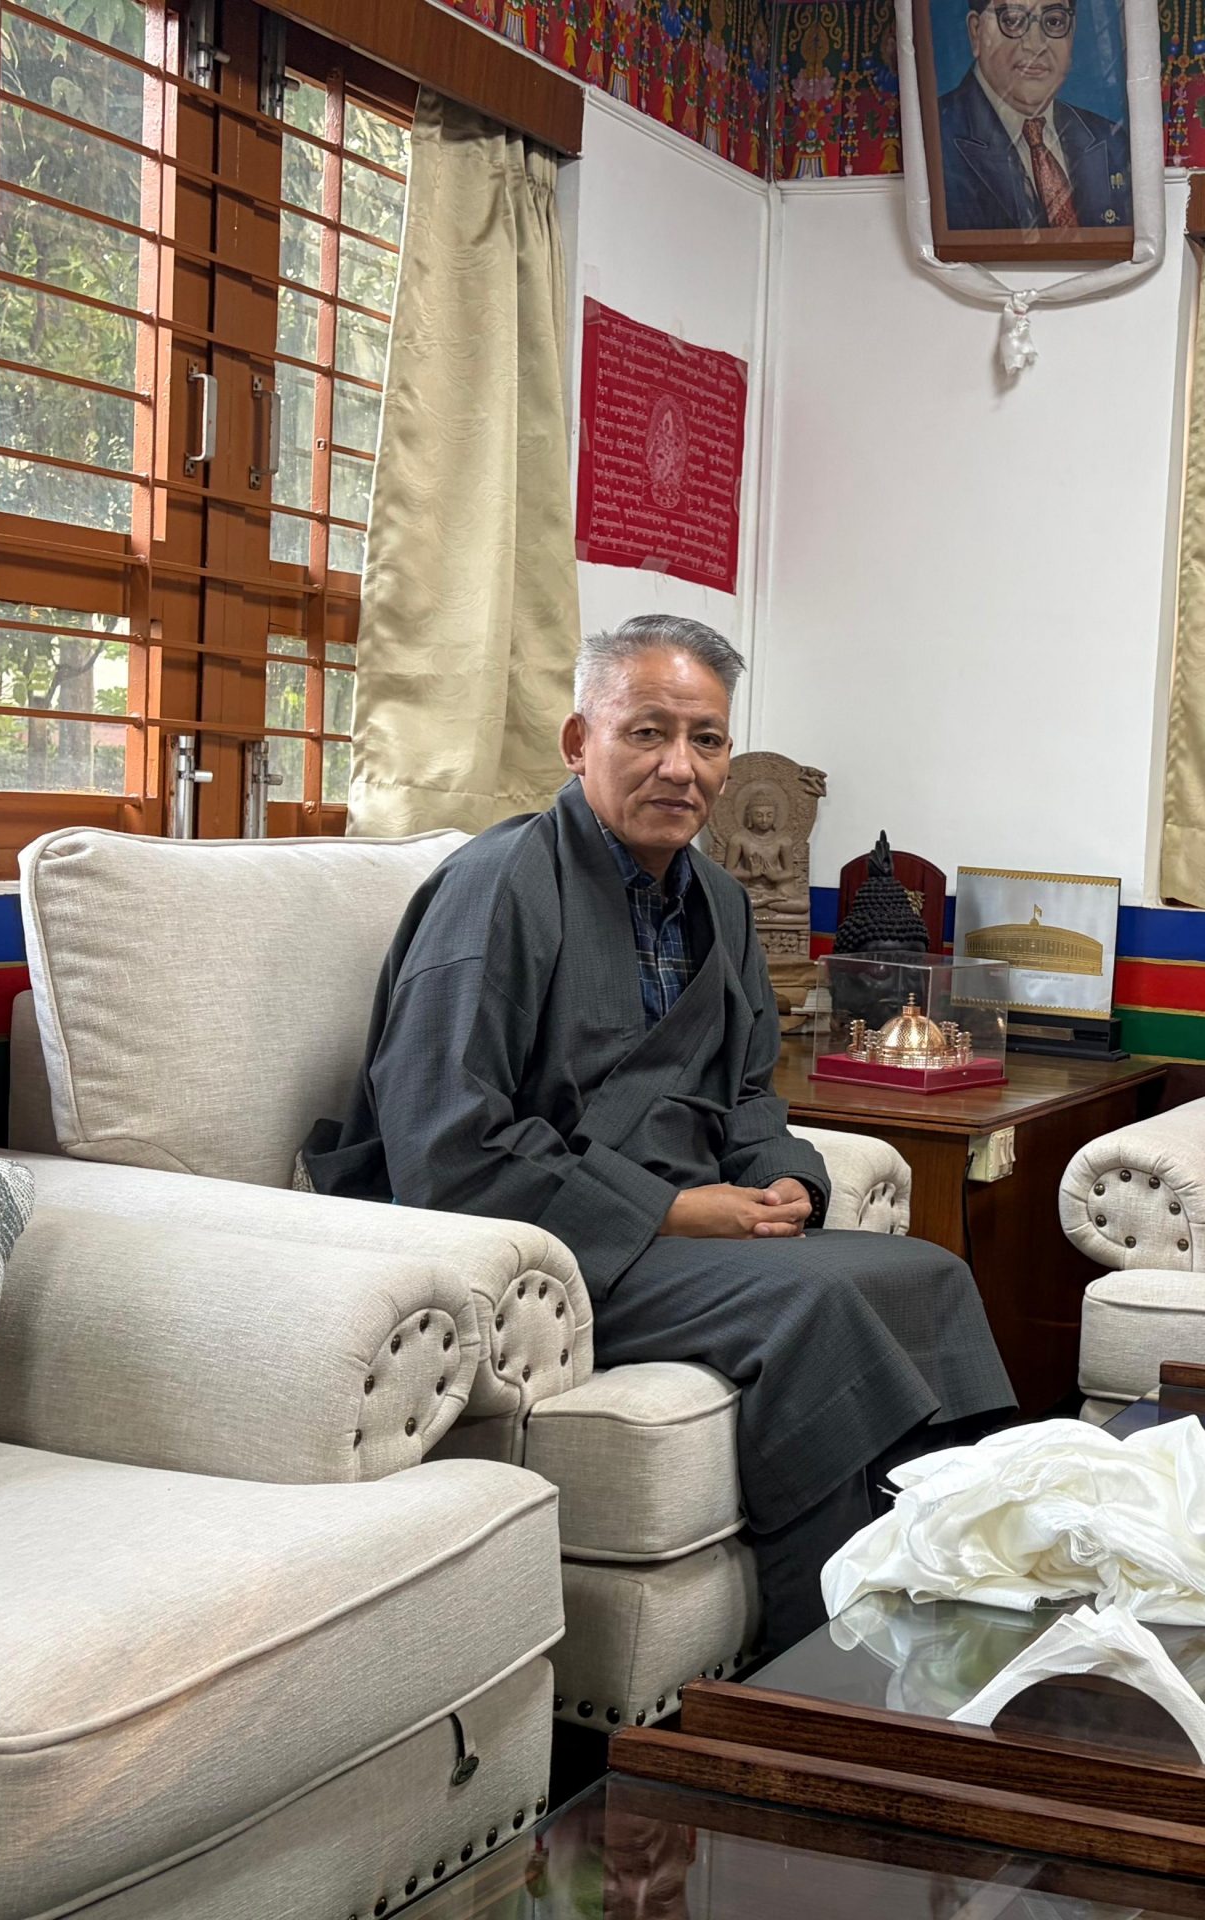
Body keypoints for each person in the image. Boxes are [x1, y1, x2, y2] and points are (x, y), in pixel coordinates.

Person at [304, 616, 1015, 1646]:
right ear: (577, 741)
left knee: (930, 1277)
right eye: (646, 733)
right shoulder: (500, 888)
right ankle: (820, 1662)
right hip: (543, 1239)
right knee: (814, 1309)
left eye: (707, 739)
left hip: (674, 1227)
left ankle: (953, 1608)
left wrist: (786, 1180)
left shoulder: (719, 901)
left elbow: (747, 1093)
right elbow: (444, 1141)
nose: (680, 767)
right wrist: (674, 1212)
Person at [936, 0, 1131, 233]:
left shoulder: (1111, 140)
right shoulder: (935, 141)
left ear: (1072, 32)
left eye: (1054, 21)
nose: (1036, 45)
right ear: (976, 32)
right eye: (1013, 21)